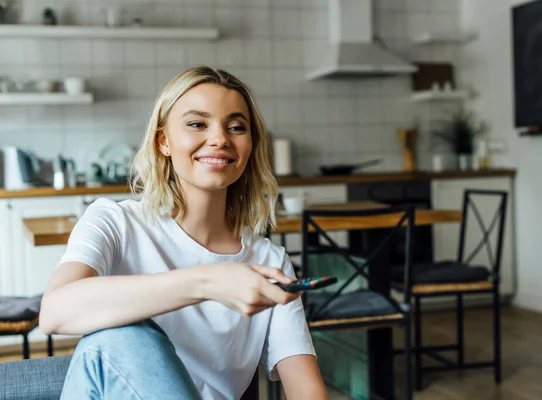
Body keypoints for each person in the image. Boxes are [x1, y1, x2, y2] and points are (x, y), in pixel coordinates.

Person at [39, 65, 328, 400]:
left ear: (250, 147)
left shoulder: (268, 261)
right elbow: (55, 312)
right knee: (122, 338)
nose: (220, 138)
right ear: (164, 141)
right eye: (197, 124)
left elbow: (306, 390)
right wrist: (208, 282)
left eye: (236, 127)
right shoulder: (114, 222)